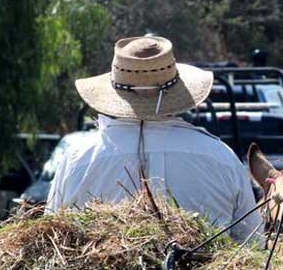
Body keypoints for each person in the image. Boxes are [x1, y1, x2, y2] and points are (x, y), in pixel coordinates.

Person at [48, 35, 262, 241]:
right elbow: (252, 243)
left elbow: (51, 236)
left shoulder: (78, 158)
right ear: (176, 92)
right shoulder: (220, 157)